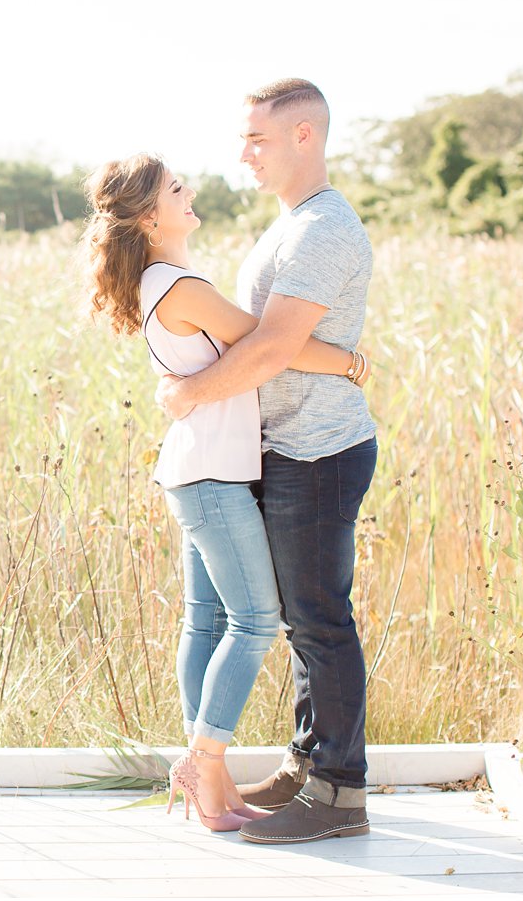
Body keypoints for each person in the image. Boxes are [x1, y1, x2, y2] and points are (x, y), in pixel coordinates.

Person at [81, 153, 369, 833]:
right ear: (150, 216)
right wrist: (350, 362)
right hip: (211, 474)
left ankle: (209, 786)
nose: (190, 193)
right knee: (254, 622)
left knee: (206, 623)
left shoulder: (163, 279)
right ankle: (203, 753)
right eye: (176, 188)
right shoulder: (177, 284)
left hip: (198, 469)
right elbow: (271, 346)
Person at [156, 79, 379, 845]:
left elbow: (274, 346)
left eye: (258, 138)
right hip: (285, 445)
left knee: (319, 621)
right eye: (244, 137)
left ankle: (339, 793)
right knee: (300, 621)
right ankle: (307, 764)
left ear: (305, 136)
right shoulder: (288, 225)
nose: (243, 152)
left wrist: (190, 393)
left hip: (319, 447)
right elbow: (259, 337)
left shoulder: (322, 229)